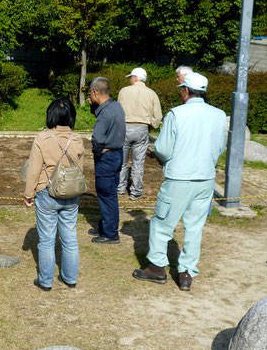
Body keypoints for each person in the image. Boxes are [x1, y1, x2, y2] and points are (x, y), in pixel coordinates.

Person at [133, 72, 226, 291]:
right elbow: (220, 147)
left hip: (179, 178)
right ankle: (186, 272)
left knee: (162, 222)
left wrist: (168, 159)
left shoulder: (177, 113)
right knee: (195, 226)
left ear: (185, 91)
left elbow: (163, 149)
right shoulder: (219, 115)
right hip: (205, 178)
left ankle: (157, 267)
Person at [24, 98, 84, 291]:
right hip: (71, 193)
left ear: (51, 115)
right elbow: (79, 168)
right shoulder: (77, 139)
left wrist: (28, 194)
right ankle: (70, 277)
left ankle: (46, 280)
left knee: (47, 240)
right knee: (70, 238)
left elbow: (33, 169)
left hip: (46, 192)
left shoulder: (42, 138)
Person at [88, 77, 126, 244]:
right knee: (110, 194)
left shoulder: (105, 113)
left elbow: (97, 137)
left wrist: (98, 151)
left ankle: (110, 233)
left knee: (106, 194)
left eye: (91, 93)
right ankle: (106, 225)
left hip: (107, 158)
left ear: (95, 92)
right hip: (118, 154)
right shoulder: (116, 106)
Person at [117, 67, 162, 200]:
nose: (130, 80)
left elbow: (117, 111)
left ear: (135, 78)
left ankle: (120, 188)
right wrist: (150, 126)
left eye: (131, 77)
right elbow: (158, 116)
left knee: (122, 161)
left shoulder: (124, 91)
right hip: (142, 128)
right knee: (138, 163)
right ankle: (135, 192)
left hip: (125, 128)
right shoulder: (152, 93)